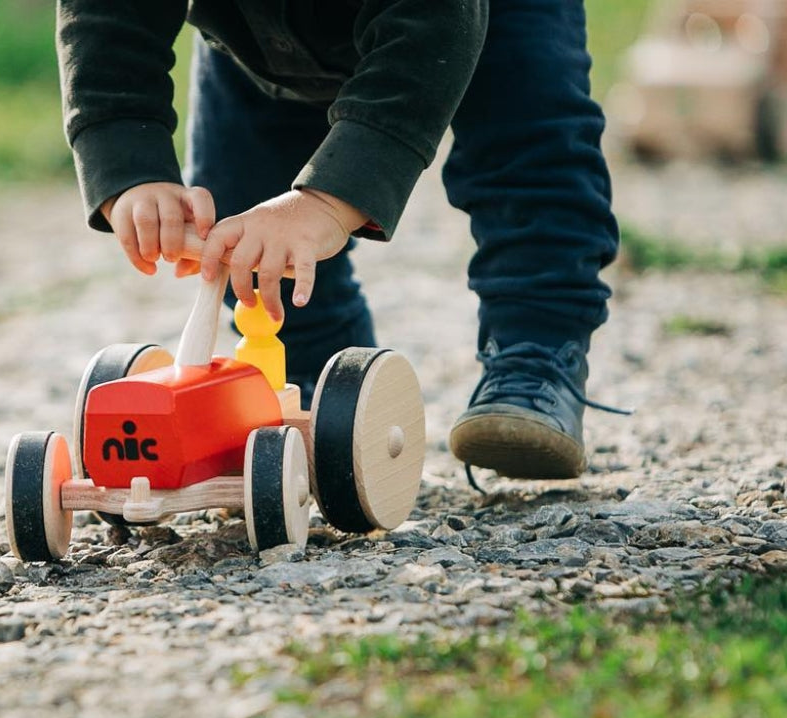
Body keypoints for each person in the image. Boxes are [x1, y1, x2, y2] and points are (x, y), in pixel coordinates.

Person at [55, 0, 626, 488]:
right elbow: (110, 15)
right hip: (256, 40)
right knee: (247, 218)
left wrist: (329, 202)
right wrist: (127, 159)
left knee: (529, 148)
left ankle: (537, 354)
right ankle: (320, 386)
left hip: (470, 18)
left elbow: (424, 34)